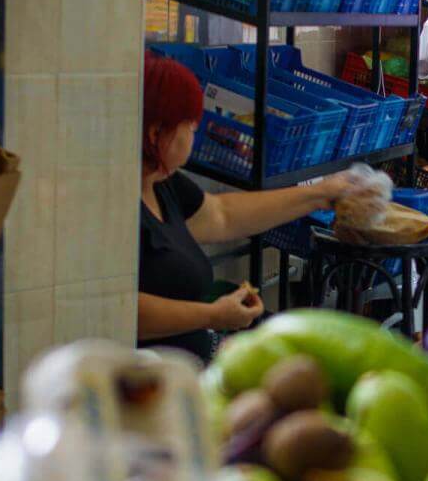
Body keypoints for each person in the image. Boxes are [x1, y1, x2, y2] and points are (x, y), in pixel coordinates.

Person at [138, 53, 361, 362]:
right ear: (155, 134)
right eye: (189, 125)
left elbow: (223, 216)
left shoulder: (164, 185)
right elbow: (123, 309)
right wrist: (212, 315)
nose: (194, 133)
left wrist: (321, 194)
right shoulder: (119, 208)